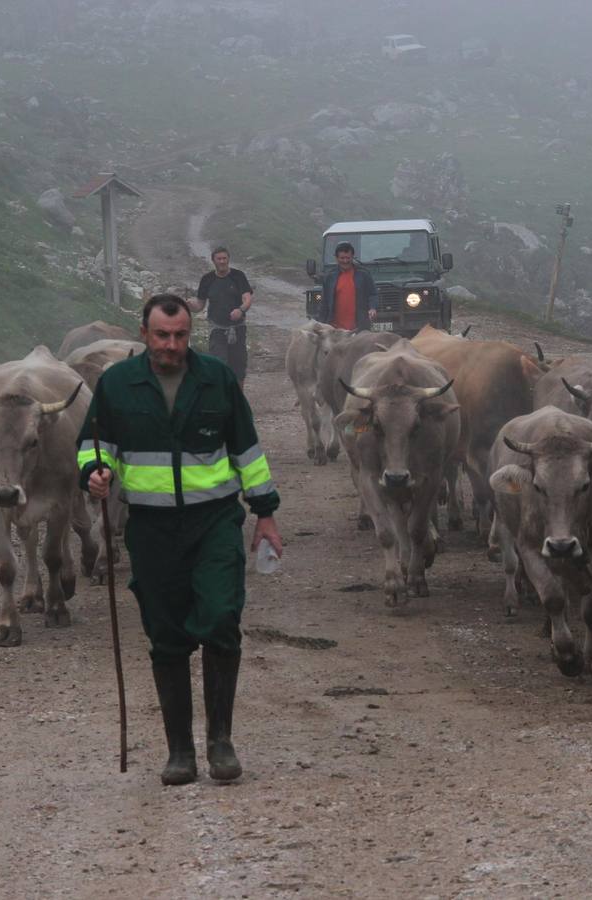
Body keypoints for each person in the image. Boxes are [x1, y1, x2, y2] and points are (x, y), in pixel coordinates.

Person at [77, 293, 284, 786]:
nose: (172, 345)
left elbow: (246, 450)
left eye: (180, 336)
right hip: (149, 527)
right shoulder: (117, 384)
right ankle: (180, 751)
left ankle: (221, 742)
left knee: (220, 619)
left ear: (189, 334)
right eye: (162, 336)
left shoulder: (216, 378)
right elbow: (94, 445)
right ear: (144, 333)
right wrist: (96, 472)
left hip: (214, 522)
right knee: (166, 635)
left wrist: (266, 513)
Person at [189, 247, 254, 385]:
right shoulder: (207, 279)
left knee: (238, 368)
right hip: (217, 328)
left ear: (228, 259)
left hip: (238, 328)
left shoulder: (238, 276)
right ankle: (223, 401)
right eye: (219, 259)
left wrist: (241, 310)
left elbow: (247, 298)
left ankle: (238, 402)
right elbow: (200, 305)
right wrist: (188, 305)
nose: (222, 261)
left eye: (225, 258)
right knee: (219, 365)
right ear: (213, 261)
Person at [312, 241, 378, 331]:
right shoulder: (329, 277)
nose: (345, 261)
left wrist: (372, 308)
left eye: (348, 258)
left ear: (352, 257)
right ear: (336, 258)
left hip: (359, 328)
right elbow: (324, 303)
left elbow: (373, 294)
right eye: (342, 258)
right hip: (335, 329)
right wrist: (320, 323)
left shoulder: (364, 274)